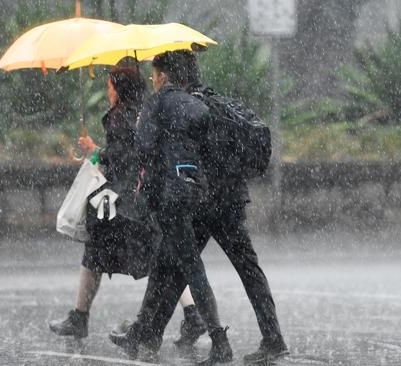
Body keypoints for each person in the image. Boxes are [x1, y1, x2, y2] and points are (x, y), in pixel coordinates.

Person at [49, 66, 206, 341]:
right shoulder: (147, 112)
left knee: (95, 253)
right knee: (159, 257)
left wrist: (98, 154)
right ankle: (192, 315)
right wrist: (99, 151)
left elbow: (123, 160)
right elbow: (135, 153)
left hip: (124, 203)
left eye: (110, 86)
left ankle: (82, 318)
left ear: (119, 90)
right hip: (147, 197)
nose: (108, 91)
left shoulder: (119, 118)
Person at [110, 51, 232, 365]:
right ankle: (140, 331)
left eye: (154, 74)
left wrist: (141, 126)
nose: (152, 80)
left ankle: (220, 341)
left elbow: (144, 149)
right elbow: (206, 148)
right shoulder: (197, 105)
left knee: (192, 269)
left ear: (163, 75)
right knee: (163, 263)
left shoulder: (156, 103)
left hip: (169, 197)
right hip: (194, 191)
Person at [182, 49, 289, 364]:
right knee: (249, 270)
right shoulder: (218, 104)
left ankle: (148, 331)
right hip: (229, 200)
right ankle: (273, 337)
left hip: (206, 204)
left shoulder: (190, 109)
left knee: (177, 267)